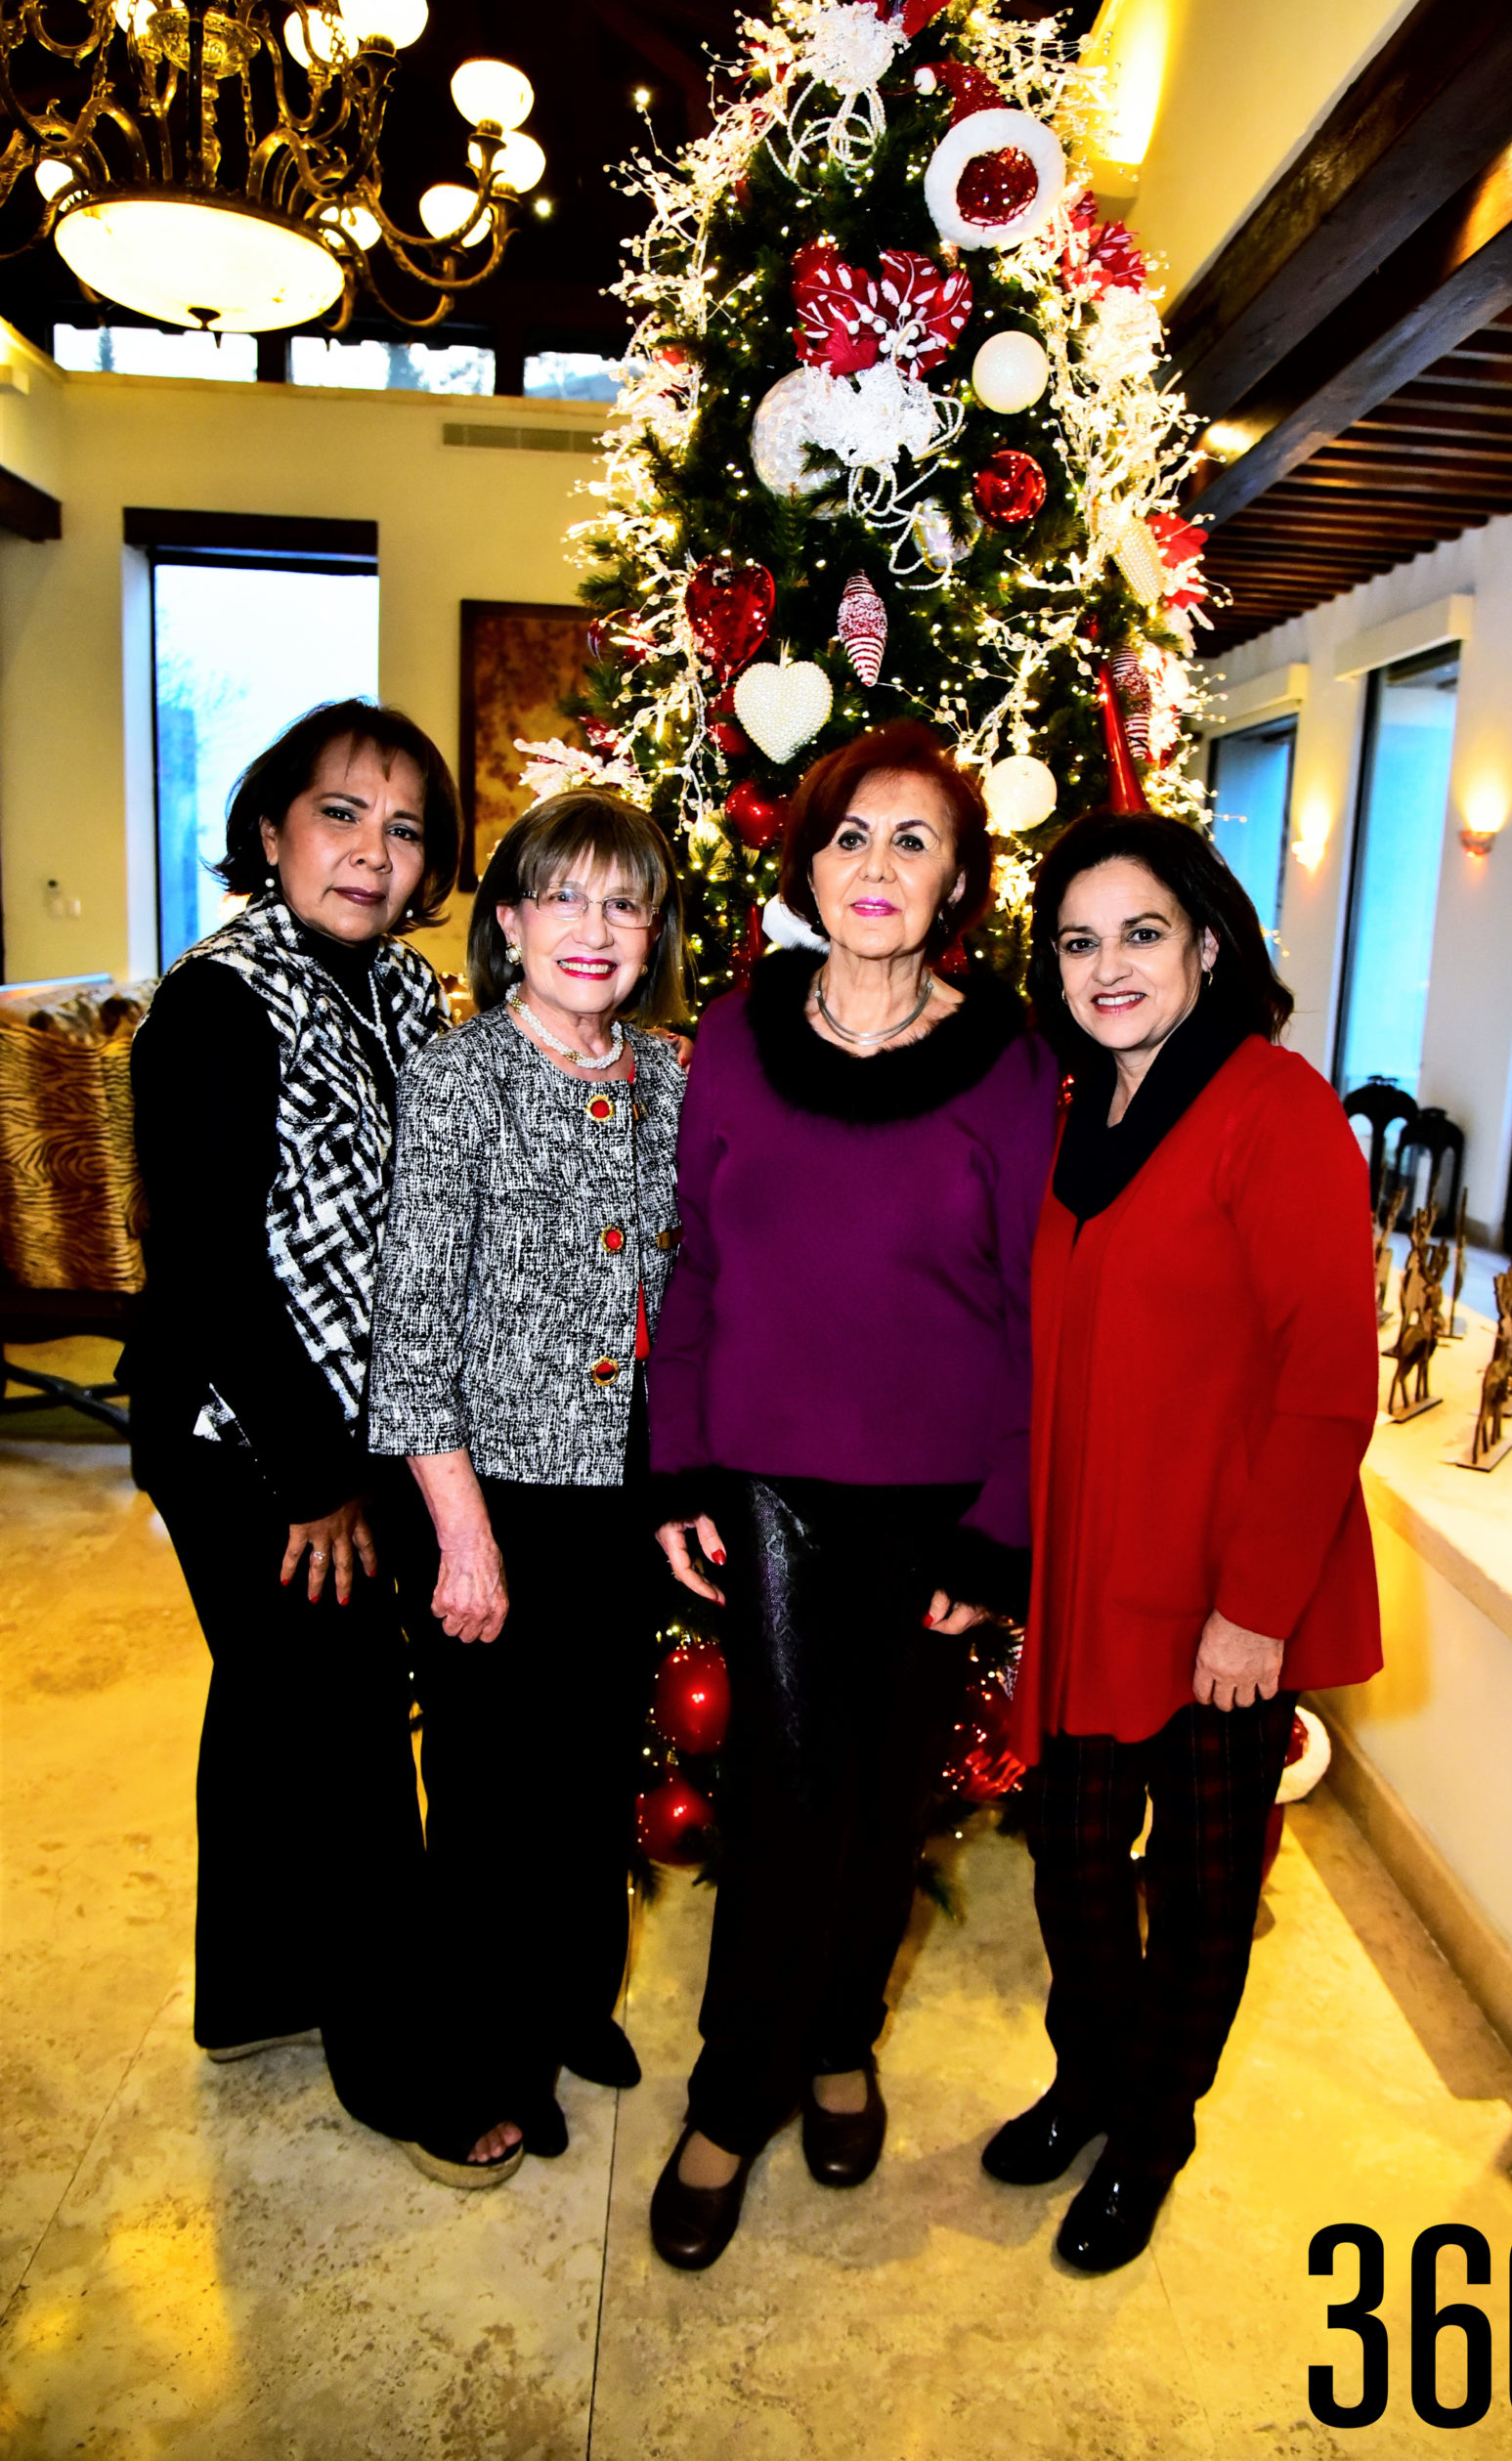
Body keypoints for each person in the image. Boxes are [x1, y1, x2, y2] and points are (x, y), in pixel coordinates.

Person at [646, 719, 1058, 2269]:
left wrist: (1000, 1524)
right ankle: (730, 2093)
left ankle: (840, 2043)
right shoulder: (739, 1036)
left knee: (887, 1805)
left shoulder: (1011, 1065)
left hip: (939, 1503)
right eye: (847, 838)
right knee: (787, 1798)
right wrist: (676, 1458)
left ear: (954, 876)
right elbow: (692, 1260)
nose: (874, 868)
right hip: (764, 1487)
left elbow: (1041, 1315)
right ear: (804, 864)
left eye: (910, 841)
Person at [124, 699, 522, 2185]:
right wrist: (322, 1484)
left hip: (359, 1420)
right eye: (342, 813)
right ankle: (397, 2064)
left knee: (272, 1699)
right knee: (349, 1727)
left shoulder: (405, 996)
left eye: (405, 825)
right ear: (273, 827)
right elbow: (214, 1273)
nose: (372, 851)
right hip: (254, 1438)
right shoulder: (221, 1001)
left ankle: (255, 1991)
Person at [988, 808, 1382, 2273]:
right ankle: (1088, 2076)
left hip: (1223, 1589)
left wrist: (1258, 1610)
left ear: (1206, 945)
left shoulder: (1273, 1107)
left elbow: (1330, 1377)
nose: (1107, 967)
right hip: (1092, 1573)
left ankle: (1152, 2127)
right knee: (1074, 1860)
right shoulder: (1066, 1113)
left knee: (1206, 1887)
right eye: (1078, 941)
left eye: (1139, 933)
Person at [367, 791, 688, 2162]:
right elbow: (411, 1328)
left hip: (628, 1498)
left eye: (623, 902)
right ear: (507, 922)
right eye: (563, 897)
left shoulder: (672, 1078)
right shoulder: (456, 1080)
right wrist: (462, 1539)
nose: (593, 929)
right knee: (492, 1801)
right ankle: (487, 2058)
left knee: (588, 1773)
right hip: (490, 1498)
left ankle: (571, 2003)